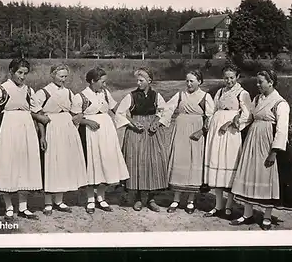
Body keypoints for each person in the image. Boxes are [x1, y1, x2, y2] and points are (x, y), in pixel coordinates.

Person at [0, 58, 50, 221]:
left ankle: (23, 207)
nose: (22, 77)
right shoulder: (2, 89)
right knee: (8, 165)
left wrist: (42, 136)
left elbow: (39, 114)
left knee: (26, 165)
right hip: (7, 130)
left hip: (27, 131)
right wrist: (0, 111)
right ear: (11, 71)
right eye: (19, 73)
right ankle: (9, 207)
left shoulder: (29, 91)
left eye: (25, 73)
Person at [230, 69, 292, 230]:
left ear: (271, 82)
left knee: (267, 178)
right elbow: (249, 117)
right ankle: (247, 214)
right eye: (257, 81)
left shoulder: (280, 103)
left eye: (260, 82)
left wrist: (274, 152)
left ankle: (267, 217)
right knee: (250, 173)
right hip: (253, 140)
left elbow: (282, 130)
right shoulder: (256, 99)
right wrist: (237, 119)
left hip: (268, 142)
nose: (257, 85)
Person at [71, 67, 130, 214]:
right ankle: (90, 199)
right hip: (89, 133)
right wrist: (87, 122)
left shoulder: (105, 93)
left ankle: (101, 198)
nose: (104, 85)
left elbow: (115, 109)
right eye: (102, 82)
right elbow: (74, 118)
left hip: (106, 132)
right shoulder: (80, 96)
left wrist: (129, 119)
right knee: (92, 164)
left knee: (106, 163)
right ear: (92, 81)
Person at [34, 64, 88, 216]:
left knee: (63, 163)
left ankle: (59, 200)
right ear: (52, 75)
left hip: (67, 128)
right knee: (52, 163)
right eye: (60, 76)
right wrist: (42, 135)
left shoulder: (69, 92)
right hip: (52, 127)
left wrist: (77, 120)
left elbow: (76, 112)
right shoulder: (43, 92)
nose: (63, 80)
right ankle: (48, 203)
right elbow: (39, 116)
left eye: (65, 77)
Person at [114, 68, 170, 212]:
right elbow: (120, 113)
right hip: (136, 131)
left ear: (149, 81)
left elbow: (163, 111)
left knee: (153, 161)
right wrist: (132, 123)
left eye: (141, 80)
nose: (138, 83)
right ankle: (138, 198)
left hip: (152, 132)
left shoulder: (156, 96)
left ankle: (151, 199)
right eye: (137, 80)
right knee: (137, 162)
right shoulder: (131, 96)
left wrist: (156, 122)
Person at [203, 65, 252, 219]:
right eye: (226, 77)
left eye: (232, 77)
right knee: (216, 164)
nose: (229, 80)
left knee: (229, 165)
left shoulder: (242, 93)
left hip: (231, 133)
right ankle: (218, 205)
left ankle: (229, 204)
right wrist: (209, 122)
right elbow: (213, 110)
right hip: (217, 132)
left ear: (237, 77)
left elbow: (248, 115)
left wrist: (231, 123)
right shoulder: (219, 92)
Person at [164, 70, 215, 214]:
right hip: (180, 130)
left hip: (196, 132)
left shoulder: (205, 97)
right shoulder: (180, 95)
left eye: (192, 81)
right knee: (179, 160)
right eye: (187, 81)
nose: (189, 84)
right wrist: (160, 122)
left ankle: (191, 201)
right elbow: (168, 109)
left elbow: (211, 117)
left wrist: (201, 131)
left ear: (199, 81)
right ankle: (176, 199)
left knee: (194, 163)